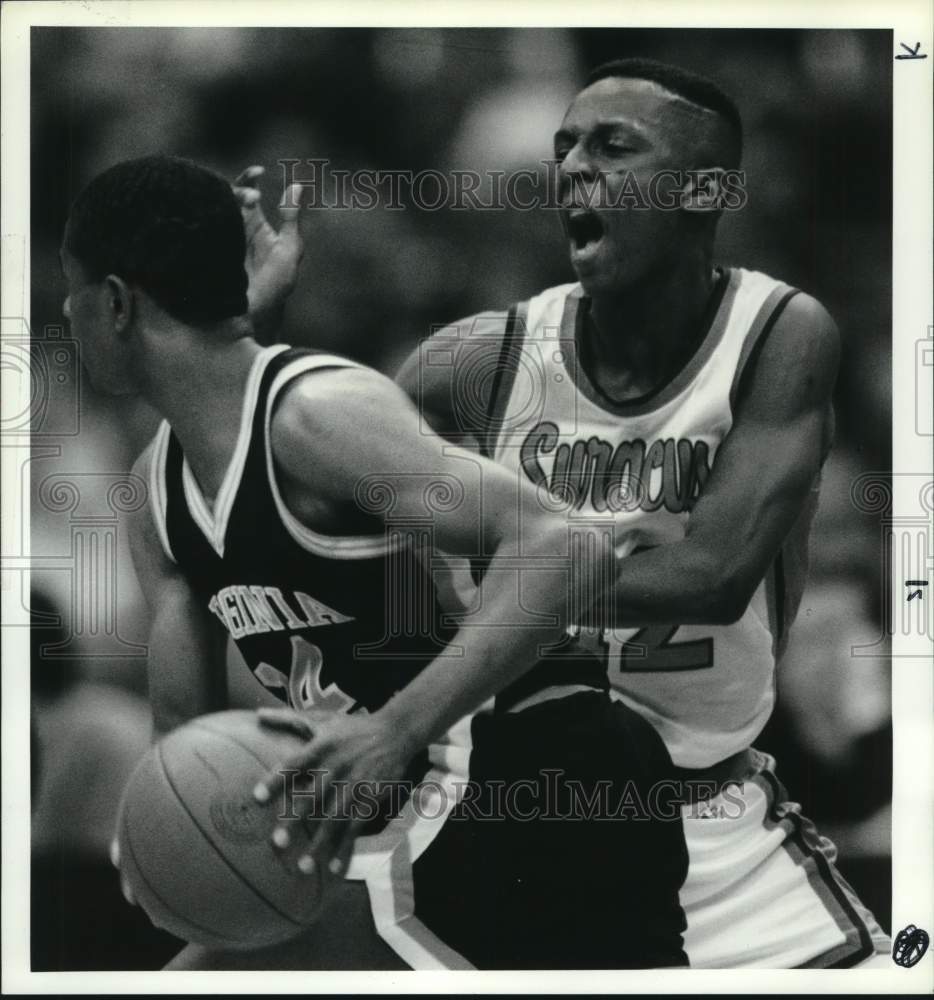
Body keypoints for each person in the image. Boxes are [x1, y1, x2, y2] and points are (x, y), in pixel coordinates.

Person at [61, 154, 689, 970]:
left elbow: (568, 546)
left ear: (113, 302)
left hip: (542, 762)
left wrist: (396, 728)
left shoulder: (316, 416)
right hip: (416, 803)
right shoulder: (157, 497)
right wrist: (168, 852)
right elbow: (186, 745)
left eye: (67, 291)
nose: (61, 319)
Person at [394, 58, 890, 968]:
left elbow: (712, 577)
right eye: (564, 147)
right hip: (506, 805)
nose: (574, 167)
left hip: (707, 812)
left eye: (614, 146)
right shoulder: (481, 357)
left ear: (704, 189)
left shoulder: (778, 332)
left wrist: (518, 578)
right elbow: (337, 501)